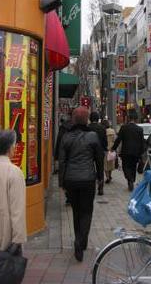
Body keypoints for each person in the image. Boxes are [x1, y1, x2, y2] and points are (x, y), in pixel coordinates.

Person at [59, 107, 104, 262]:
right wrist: (100, 177)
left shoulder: (66, 136)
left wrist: (61, 182)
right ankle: (81, 241)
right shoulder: (93, 136)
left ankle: (79, 240)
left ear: (73, 119)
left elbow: (62, 161)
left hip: (71, 179)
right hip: (87, 179)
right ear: (86, 120)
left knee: (76, 211)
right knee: (86, 211)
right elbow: (99, 159)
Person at [0, 130, 27, 262]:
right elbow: (17, 211)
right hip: (2, 243)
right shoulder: (13, 172)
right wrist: (18, 241)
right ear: (10, 148)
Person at [111, 109, 144, 191]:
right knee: (133, 166)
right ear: (136, 119)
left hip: (126, 151)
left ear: (128, 119)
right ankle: (132, 179)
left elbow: (118, 139)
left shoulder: (124, 128)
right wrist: (141, 153)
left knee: (126, 166)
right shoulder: (140, 129)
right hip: (135, 152)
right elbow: (142, 142)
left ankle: (129, 179)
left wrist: (113, 148)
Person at [88, 111, 107, 195]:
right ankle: (100, 187)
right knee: (100, 169)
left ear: (90, 118)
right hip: (100, 151)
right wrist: (105, 149)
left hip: (89, 151)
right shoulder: (102, 128)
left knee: (89, 168)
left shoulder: (87, 127)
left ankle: (90, 186)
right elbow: (104, 141)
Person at [102, 119, 116, 184]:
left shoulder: (103, 131)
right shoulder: (112, 131)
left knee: (105, 164)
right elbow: (114, 140)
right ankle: (110, 175)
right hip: (112, 148)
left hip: (105, 149)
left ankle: (107, 177)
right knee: (111, 163)